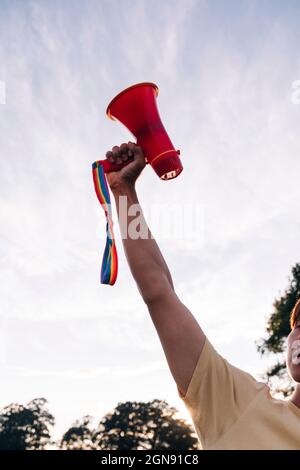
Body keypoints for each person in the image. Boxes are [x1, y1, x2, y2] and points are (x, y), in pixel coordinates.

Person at [104, 142, 300, 450]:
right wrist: (124, 192)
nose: (299, 335)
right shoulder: (239, 406)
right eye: (298, 325)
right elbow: (159, 292)